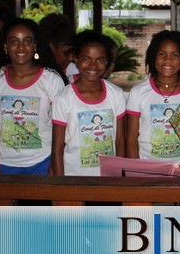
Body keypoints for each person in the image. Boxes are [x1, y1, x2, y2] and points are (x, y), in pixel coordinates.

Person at [0, 18, 65, 175]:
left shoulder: (51, 79)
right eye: (14, 41)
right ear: (5, 46)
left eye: (27, 41)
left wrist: (53, 166)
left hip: (43, 161)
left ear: (35, 45)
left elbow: (60, 128)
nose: (21, 47)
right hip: (4, 162)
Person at [52, 31, 126, 176]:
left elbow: (120, 141)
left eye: (100, 60)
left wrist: (117, 176)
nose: (93, 65)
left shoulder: (116, 94)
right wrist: (62, 185)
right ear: (76, 59)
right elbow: (57, 149)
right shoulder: (64, 98)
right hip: (73, 177)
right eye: (86, 59)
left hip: (107, 178)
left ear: (107, 62)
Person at [126, 30, 180, 165]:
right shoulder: (138, 92)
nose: (168, 60)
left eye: (175, 55)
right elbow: (131, 138)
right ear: (153, 57)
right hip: (149, 167)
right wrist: (136, 171)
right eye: (161, 54)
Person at [38, 13, 77, 82]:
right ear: (52, 46)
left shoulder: (73, 70)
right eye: (67, 52)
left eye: (73, 52)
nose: (71, 57)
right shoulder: (38, 73)